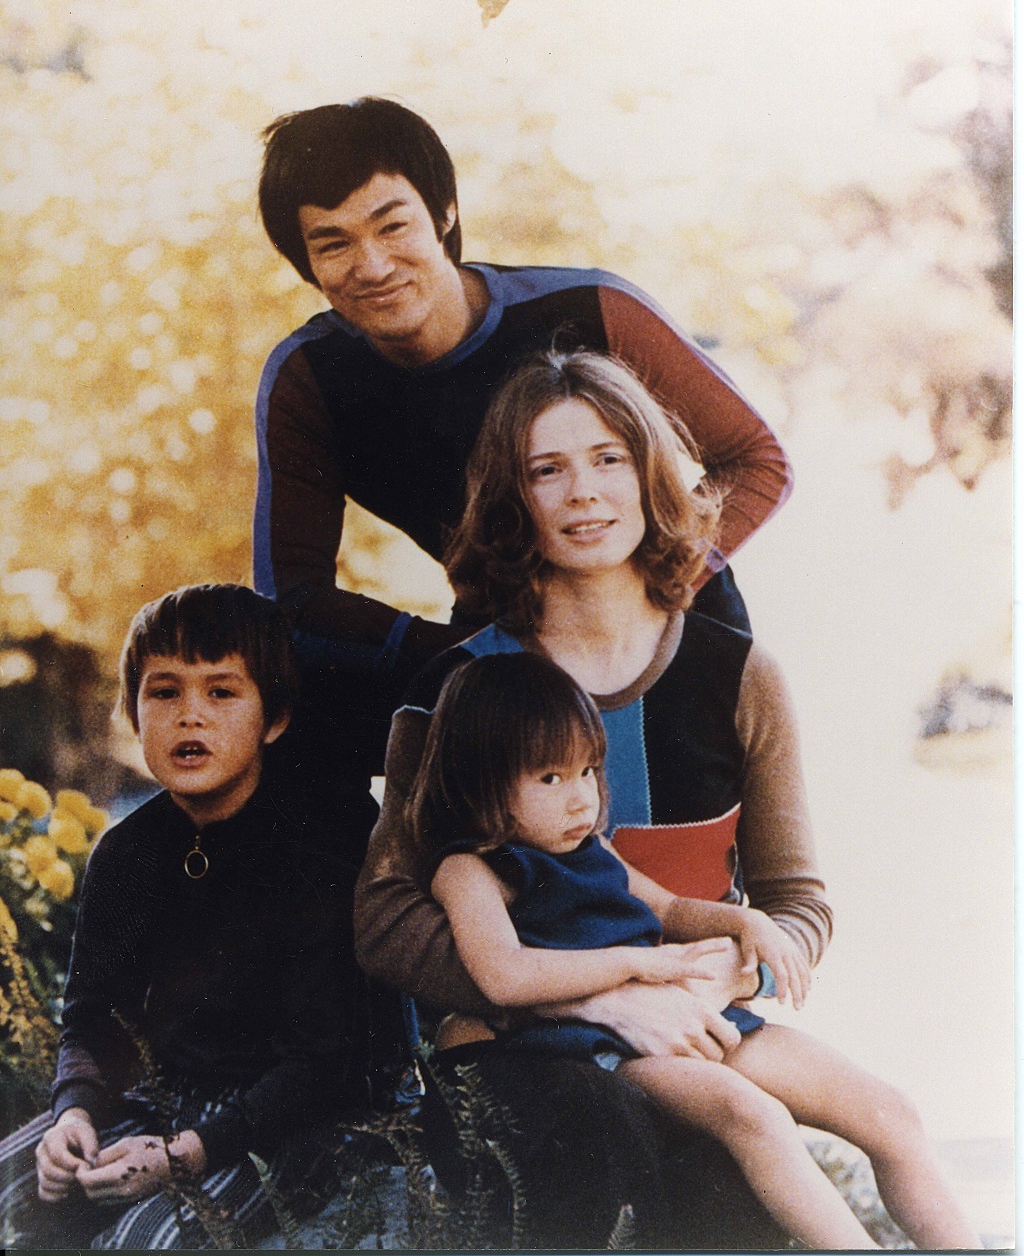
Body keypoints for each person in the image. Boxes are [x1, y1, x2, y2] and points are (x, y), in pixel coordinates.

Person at [353, 349, 829, 1247]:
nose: (583, 492)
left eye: (610, 458)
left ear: (653, 474)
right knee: (579, 1141)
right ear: (513, 499)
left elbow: (797, 901)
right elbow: (385, 915)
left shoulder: (739, 674)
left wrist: (721, 973)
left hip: (693, 1025)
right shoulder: (456, 684)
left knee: (731, 1184)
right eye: (547, 469)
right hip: (510, 1055)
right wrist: (584, 997)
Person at [253, 96, 793, 845]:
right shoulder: (310, 377)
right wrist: (457, 656)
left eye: (393, 224)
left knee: (691, 887)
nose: (372, 264)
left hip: (669, 627)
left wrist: (653, 585)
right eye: (332, 242)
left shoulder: (588, 307)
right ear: (303, 261)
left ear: (442, 211)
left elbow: (757, 459)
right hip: (500, 650)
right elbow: (293, 594)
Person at [407, 650, 980, 1252]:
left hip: (690, 1012)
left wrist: (744, 920)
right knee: (753, 1115)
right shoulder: (472, 872)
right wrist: (633, 966)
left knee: (890, 1113)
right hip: (602, 1047)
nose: (580, 798)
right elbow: (503, 976)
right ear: (480, 782)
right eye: (550, 778)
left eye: (587, 771)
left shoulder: (592, 849)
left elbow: (671, 910)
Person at [0, 585, 360, 1250]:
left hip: (281, 1126)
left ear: (272, 718)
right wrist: (73, 1109)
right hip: (155, 1099)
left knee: (142, 1243)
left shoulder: (312, 851)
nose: (189, 715)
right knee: (16, 1189)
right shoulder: (126, 851)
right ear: (134, 713)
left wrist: (186, 1152)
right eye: (164, 692)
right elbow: (89, 1013)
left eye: (221, 692)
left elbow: (324, 1061)